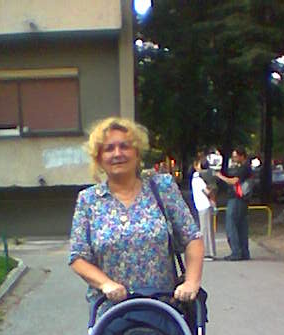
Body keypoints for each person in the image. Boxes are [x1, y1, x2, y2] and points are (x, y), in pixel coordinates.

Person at [68, 117, 204, 309]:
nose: (117, 153)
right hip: (112, 312)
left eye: (124, 146)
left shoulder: (162, 188)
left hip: (163, 309)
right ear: (98, 158)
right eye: (109, 149)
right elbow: (78, 257)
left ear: (137, 153)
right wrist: (105, 284)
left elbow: (192, 238)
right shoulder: (88, 200)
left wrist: (191, 282)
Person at [217, 147, 253, 261]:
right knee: (242, 226)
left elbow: (234, 181)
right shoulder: (247, 167)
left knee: (231, 225)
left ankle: (236, 252)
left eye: (235, 156)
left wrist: (220, 176)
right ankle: (244, 252)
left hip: (236, 199)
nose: (234, 158)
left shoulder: (243, 168)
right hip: (243, 200)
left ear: (242, 156)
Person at [191, 158, 216, 260]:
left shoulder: (197, 179)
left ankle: (207, 253)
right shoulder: (198, 179)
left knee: (205, 229)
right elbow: (207, 192)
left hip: (202, 206)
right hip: (204, 205)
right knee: (207, 230)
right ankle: (209, 251)